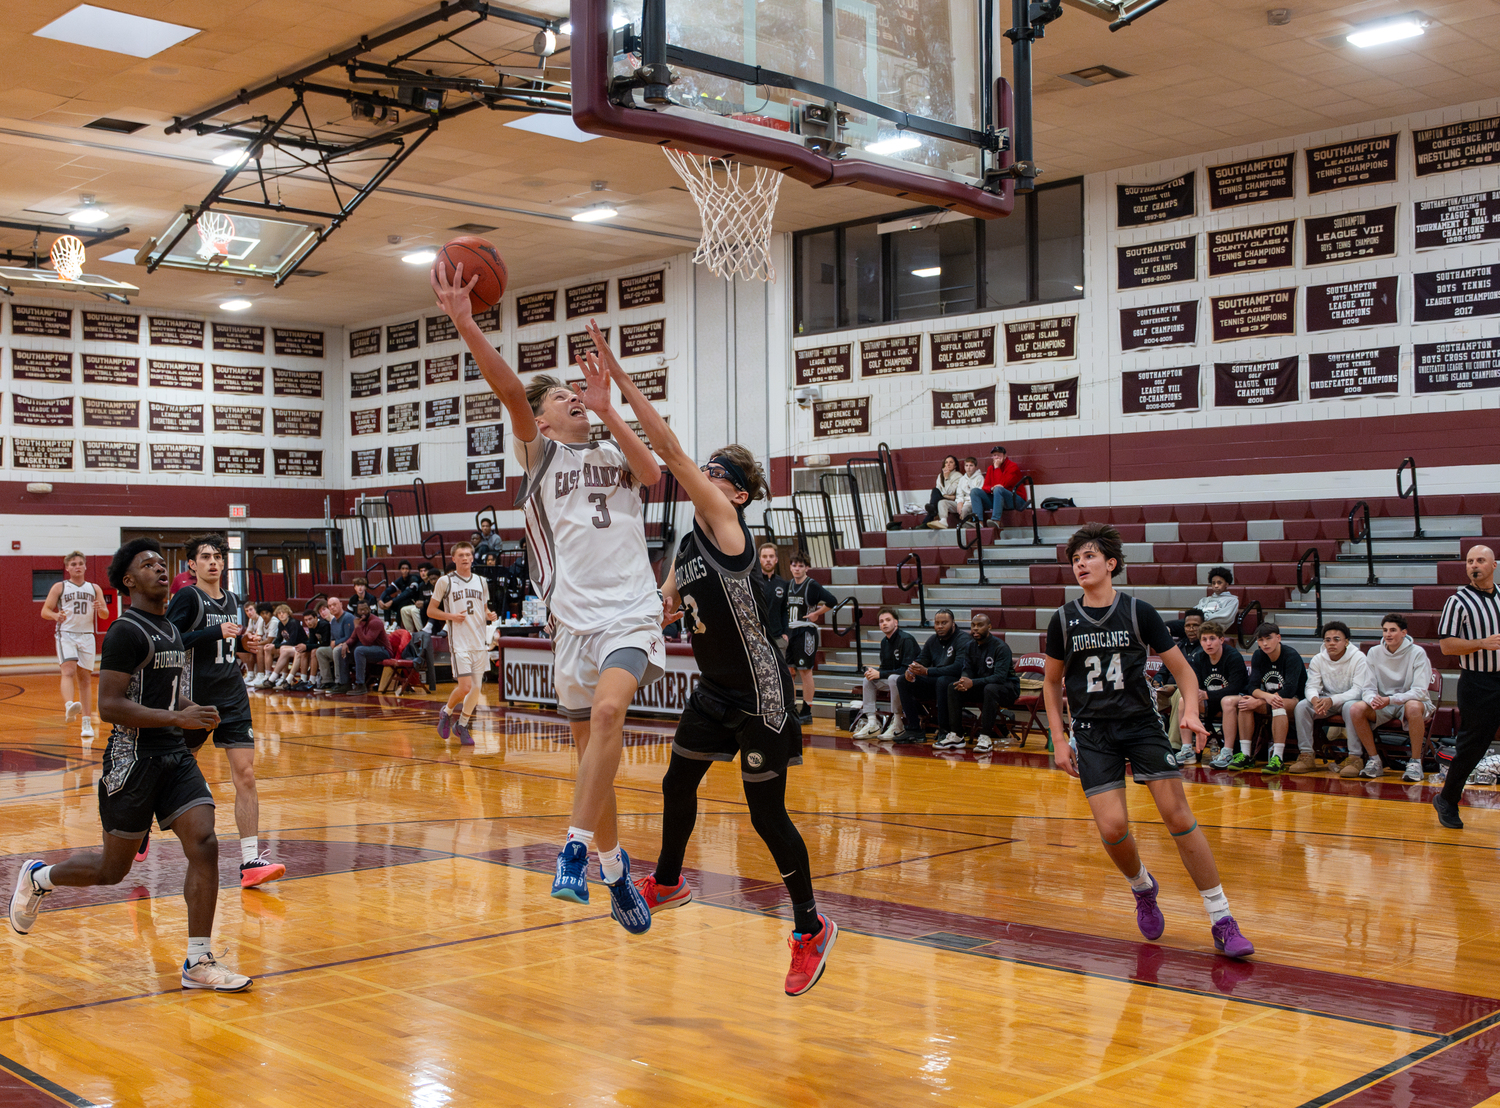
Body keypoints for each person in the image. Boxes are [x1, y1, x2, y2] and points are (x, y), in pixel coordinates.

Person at [587, 341, 835, 992]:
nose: (708, 473)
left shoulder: (726, 521)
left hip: (761, 695)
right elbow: (663, 602)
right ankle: (668, 881)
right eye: (710, 468)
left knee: (766, 817)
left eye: (719, 471)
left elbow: (666, 452)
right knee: (677, 784)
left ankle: (810, 927)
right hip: (715, 691)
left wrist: (614, 396)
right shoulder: (690, 542)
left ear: (740, 492)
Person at [436, 265, 664, 933]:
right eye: (562, 395)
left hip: (630, 611)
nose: (572, 397)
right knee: (596, 757)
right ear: (538, 418)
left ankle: (571, 850)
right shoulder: (539, 458)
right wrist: (464, 321)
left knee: (611, 713)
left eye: (576, 392)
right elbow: (508, 386)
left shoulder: (612, 450)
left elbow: (652, 472)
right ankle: (615, 867)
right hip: (572, 624)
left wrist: (608, 409)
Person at [9, 537, 252, 991]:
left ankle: (198, 960)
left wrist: (192, 708)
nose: (161, 569)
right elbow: (110, 706)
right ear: (128, 580)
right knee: (112, 871)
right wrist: (178, 716)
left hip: (175, 757)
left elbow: (167, 694)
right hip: (132, 759)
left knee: (204, 843)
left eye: (163, 563)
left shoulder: (173, 631)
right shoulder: (125, 631)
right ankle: (40, 878)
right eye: (148, 564)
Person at [1043, 522, 1253, 958]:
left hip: (1140, 724)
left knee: (1177, 816)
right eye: (1076, 558)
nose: (1081, 563)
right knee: (1112, 827)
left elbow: (1184, 670)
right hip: (1092, 732)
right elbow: (1050, 683)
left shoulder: (1139, 612)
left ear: (1111, 563)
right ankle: (1142, 886)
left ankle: (1222, 919)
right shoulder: (1063, 620)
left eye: (1089, 556)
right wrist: (1059, 739)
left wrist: (1191, 711)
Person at [166, 534, 284, 889]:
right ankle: (140, 825)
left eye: (218, 556)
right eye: (205, 557)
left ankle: (250, 860)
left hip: (232, 695)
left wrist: (245, 644)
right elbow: (168, 639)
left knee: (246, 775)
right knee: (175, 768)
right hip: (196, 699)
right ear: (192, 565)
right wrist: (213, 631)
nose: (213, 562)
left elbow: (229, 647)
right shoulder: (187, 597)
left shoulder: (234, 600)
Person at [1435, 545, 1500, 829]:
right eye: (1470, 561)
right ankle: (1447, 800)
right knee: (1473, 748)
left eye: (1480, 560)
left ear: (1493, 565)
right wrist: (1481, 643)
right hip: (1478, 683)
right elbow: (1447, 645)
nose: (1475, 565)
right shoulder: (1458, 601)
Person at [1347, 613, 1435, 783]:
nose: (1388, 634)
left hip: (1411, 702)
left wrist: (1391, 699)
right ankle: (1374, 760)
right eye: (1385, 630)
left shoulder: (1417, 653)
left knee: (1413, 707)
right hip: (1385, 704)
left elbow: (1420, 691)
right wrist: (1373, 699)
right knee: (1356, 708)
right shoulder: (1373, 652)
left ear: (1404, 632)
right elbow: (1368, 687)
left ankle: (1416, 762)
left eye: (1393, 630)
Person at [1216, 621, 1306, 773]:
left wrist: (1263, 700)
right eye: (1260, 640)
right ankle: (1245, 754)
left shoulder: (1291, 655)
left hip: (1295, 700)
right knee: (1246, 702)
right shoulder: (1258, 655)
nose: (1265, 643)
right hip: (1270, 699)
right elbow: (1252, 687)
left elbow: (1290, 690)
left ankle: (1278, 757)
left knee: (1278, 704)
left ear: (1278, 638)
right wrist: (1263, 698)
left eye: (1268, 638)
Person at [430, 541, 495, 747]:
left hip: (479, 641)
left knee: (476, 689)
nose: (466, 558)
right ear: (454, 558)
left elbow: (483, 609)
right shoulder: (445, 581)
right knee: (465, 687)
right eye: (461, 555)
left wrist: (489, 614)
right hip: (459, 642)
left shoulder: (482, 581)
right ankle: (446, 711)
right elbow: (431, 611)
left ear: (473, 557)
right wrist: (450, 616)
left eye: (468, 554)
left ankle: (463, 724)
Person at [41, 551, 108, 740]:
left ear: (85, 566)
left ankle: (86, 722)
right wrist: (56, 616)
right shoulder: (60, 587)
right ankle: (69, 705)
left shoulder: (94, 588)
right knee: (68, 670)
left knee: (85, 679)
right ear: (67, 568)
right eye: (73, 564)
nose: (77, 566)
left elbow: (104, 615)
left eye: (80, 563)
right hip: (66, 634)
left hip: (87, 635)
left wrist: (100, 609)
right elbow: (45, 611)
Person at [1293, 621, 1373, 777]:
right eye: (1327, 640)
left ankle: (1355, 757)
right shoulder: (1318, 659)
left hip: (1350, 700)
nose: (1331, 643)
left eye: (1336, 639)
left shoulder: (1359, 658)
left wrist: (1333, 700)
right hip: (1327, 700)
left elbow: (1358, 690)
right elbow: (1311, 686)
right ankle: (1307, 755)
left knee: (1350, 707)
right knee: (1302, 706)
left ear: (1346, 641)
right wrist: (1315, 700)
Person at [935, 613, 1018, 754]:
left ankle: (985, 737)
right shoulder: (969, 646)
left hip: (1007, 689)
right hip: (982, 687)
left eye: (980, 625)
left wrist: (972, 683)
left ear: (989, 627)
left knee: (990, 689)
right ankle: (956, 735)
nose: (975, 629)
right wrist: (963, 681)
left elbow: (999, 677)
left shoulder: (1001, 647)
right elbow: (967, 669)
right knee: (953, 687)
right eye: (973, 625)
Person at [1177, 621, 1246, 765]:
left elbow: (1235, 687)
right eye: (1204, 639)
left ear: (1221, 640)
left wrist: (1206, 694)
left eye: (1212, 639)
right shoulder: (1199, 658)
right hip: (1210, 701)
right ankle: (1187, 749)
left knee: (1226, 701)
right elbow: (1195, 684)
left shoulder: (1233, 656)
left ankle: (1227, 752)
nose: (1208, 643)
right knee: (1184, 700)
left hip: (1236, 701)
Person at [894, 608, 965, 743]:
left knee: (943, 681)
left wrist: (927, 671)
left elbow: (958, 667)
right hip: (935, 682)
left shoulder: (963, 639)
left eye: (944, 623)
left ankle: (944, 730)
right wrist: (911, 670)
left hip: (956, 683)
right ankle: (914, 729)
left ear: (953, 624)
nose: (940, 626)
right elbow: (921, 659)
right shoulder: (932, 640)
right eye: (937, 623)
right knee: (902, 680)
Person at [785, 552, 838, 723]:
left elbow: (832, 600)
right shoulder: (788, 585)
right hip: (790, 632)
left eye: (801, 566)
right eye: (794, 565)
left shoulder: (812, 585)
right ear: (790, 567)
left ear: (807, 568)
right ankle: (791, 708)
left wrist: (816, 613)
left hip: (805, 631)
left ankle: (806, 711)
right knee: (789, 672)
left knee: (805, 672)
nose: (797, 569)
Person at [852, 607, 919, 739]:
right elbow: (884, 668)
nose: (884, 623)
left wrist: (881, 674)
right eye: (881, 621)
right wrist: (875, 672)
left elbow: (906, 670)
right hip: (893, 681)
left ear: (896, 623)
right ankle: (872, 724)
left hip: (912, 682)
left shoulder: (906, 640)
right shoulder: (884, 642)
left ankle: (898, 724)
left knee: (894, 678)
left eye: (888, 620)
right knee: (868, 679)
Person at [969, 445, 1028, 523]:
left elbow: (1002, 484)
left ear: (1004, 456)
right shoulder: (990, 468)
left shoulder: (1013, 467)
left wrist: (997, 468)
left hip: (1016, 500)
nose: (996, 457)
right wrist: (991, 488)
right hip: (998, 500)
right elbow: (985, 487)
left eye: (999, 455)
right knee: (974, 491)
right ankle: (978, 522)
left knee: (998, 489)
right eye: (994, 455)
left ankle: (996, 520)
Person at [755, 542, 790, 656]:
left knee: (780, 673)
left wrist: (786, 632)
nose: (768, 560)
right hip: (758, 638)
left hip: (778, 639)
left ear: (776, 559)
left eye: (771, 556)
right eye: (765, 557)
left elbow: (784, 610)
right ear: (759, 559)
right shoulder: (753, 582)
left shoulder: (782, 584)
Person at [348, 599, 392, 690]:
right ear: (357, 611)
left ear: (369, 609)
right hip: (371, 650)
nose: (363, 612)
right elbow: (353, 638)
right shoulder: (360, 621)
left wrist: (358, 627)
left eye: (365, 609)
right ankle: (343, 682)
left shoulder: (375, 622)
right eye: (361, 610)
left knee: (359, 650)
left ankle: (360, 685)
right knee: (344, 650)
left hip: (384, 651)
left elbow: (366, 642)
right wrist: (344, 645)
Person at [317, 597, 354, 693]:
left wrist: (336, 643)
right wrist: (334, 643)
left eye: (334, 605)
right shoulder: (333, 621)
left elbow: (349, 637)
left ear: (341, 604)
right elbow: (332, 639)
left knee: (337, 650)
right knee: (320, 651)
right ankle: (327, 681)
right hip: (337, 648)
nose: (332, 607)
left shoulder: (348, 617)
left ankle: (342, 683)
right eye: (330, 606)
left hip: (350, 649)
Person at [923, 455, 963, 530]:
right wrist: (945, 493)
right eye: (946, 462)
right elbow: (939, 490)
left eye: (951, 462)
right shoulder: (940, 476)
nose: (948, 464)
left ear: (955, 466)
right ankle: (932, 509)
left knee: (937, 499)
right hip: (941, 498)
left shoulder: (958, 476)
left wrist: (946, 478)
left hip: (952, 500)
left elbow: (951, 491)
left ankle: (926, 520)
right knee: (935, 490)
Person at [1195, 567, 1240, 632]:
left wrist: (1202, 618)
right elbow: (1194, 613)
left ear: (1227, 584)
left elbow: (1225, 618)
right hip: (1197, 625)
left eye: (1219, 583)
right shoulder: (1204, 600)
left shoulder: (1232, 600)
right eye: (1213, 583)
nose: (1216, 586)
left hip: (1215, 629)